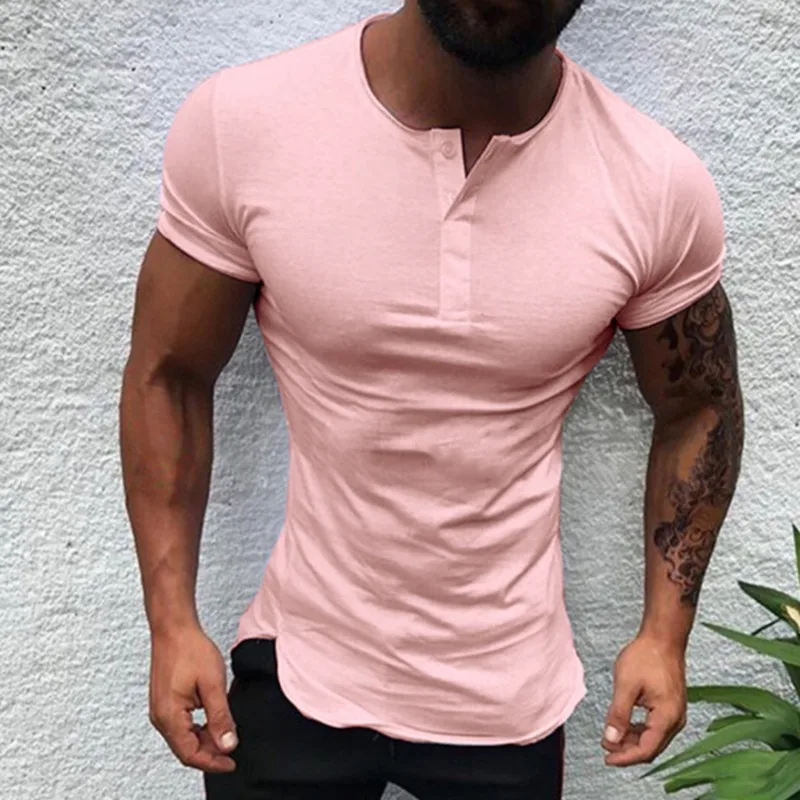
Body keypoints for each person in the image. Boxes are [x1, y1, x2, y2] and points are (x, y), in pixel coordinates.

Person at [119, 1, 745, 797]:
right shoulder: (246, 125)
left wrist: (664, 634)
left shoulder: (653, 184)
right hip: (300, 661)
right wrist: (171, 623)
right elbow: (169, 373)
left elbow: (700, 408)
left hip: (507, 696)